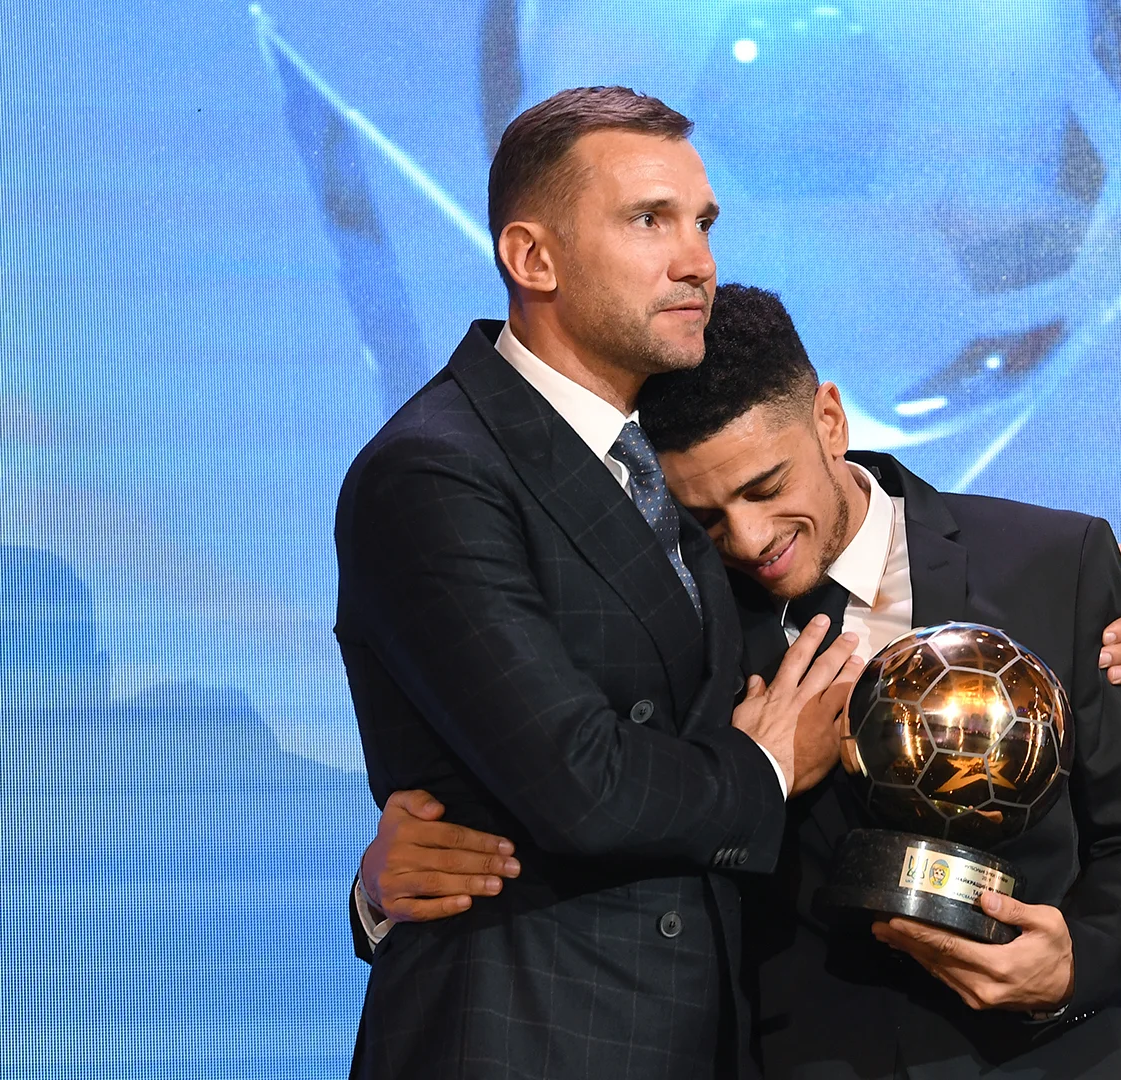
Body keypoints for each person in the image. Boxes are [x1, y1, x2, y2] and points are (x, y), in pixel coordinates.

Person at [356, 283, 1121, 1078]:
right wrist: (380, 892)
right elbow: (587, 801)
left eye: (766, 487)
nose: (750, 538)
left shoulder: (1055, 564)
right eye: (705, 517)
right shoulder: (671, 631)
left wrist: (1072, 963)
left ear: (829, 419)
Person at [334, 87, 867, 1078]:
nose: (696, 260)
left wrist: (1074, 580)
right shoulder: (436, 471)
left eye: (703, 223)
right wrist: (767, 767)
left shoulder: (654, 453)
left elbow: (805, 473)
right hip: (526, 1037)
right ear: (533, 258)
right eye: (649, 220)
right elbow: (578, 779)